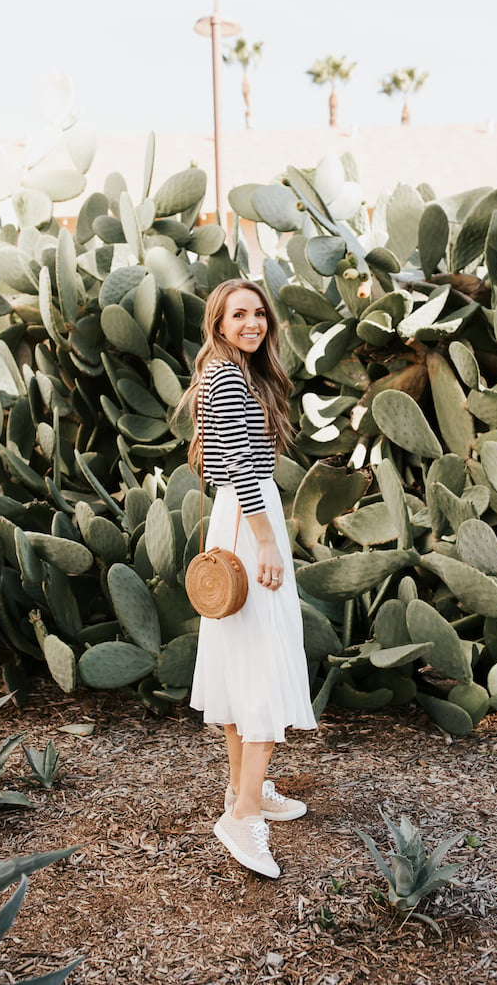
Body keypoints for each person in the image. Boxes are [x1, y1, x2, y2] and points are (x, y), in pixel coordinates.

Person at [175, 278, 317, 879]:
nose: (253, 322)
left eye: (259, 312)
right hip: (248, 518)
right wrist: (266, 540)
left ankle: (246, 792)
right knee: (261, 668)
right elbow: (236, 459)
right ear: (219, 322)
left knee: (243, 665)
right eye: (240, 314)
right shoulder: (228, 375)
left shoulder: (229, 371)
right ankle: (242, 819)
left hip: (241, 515)